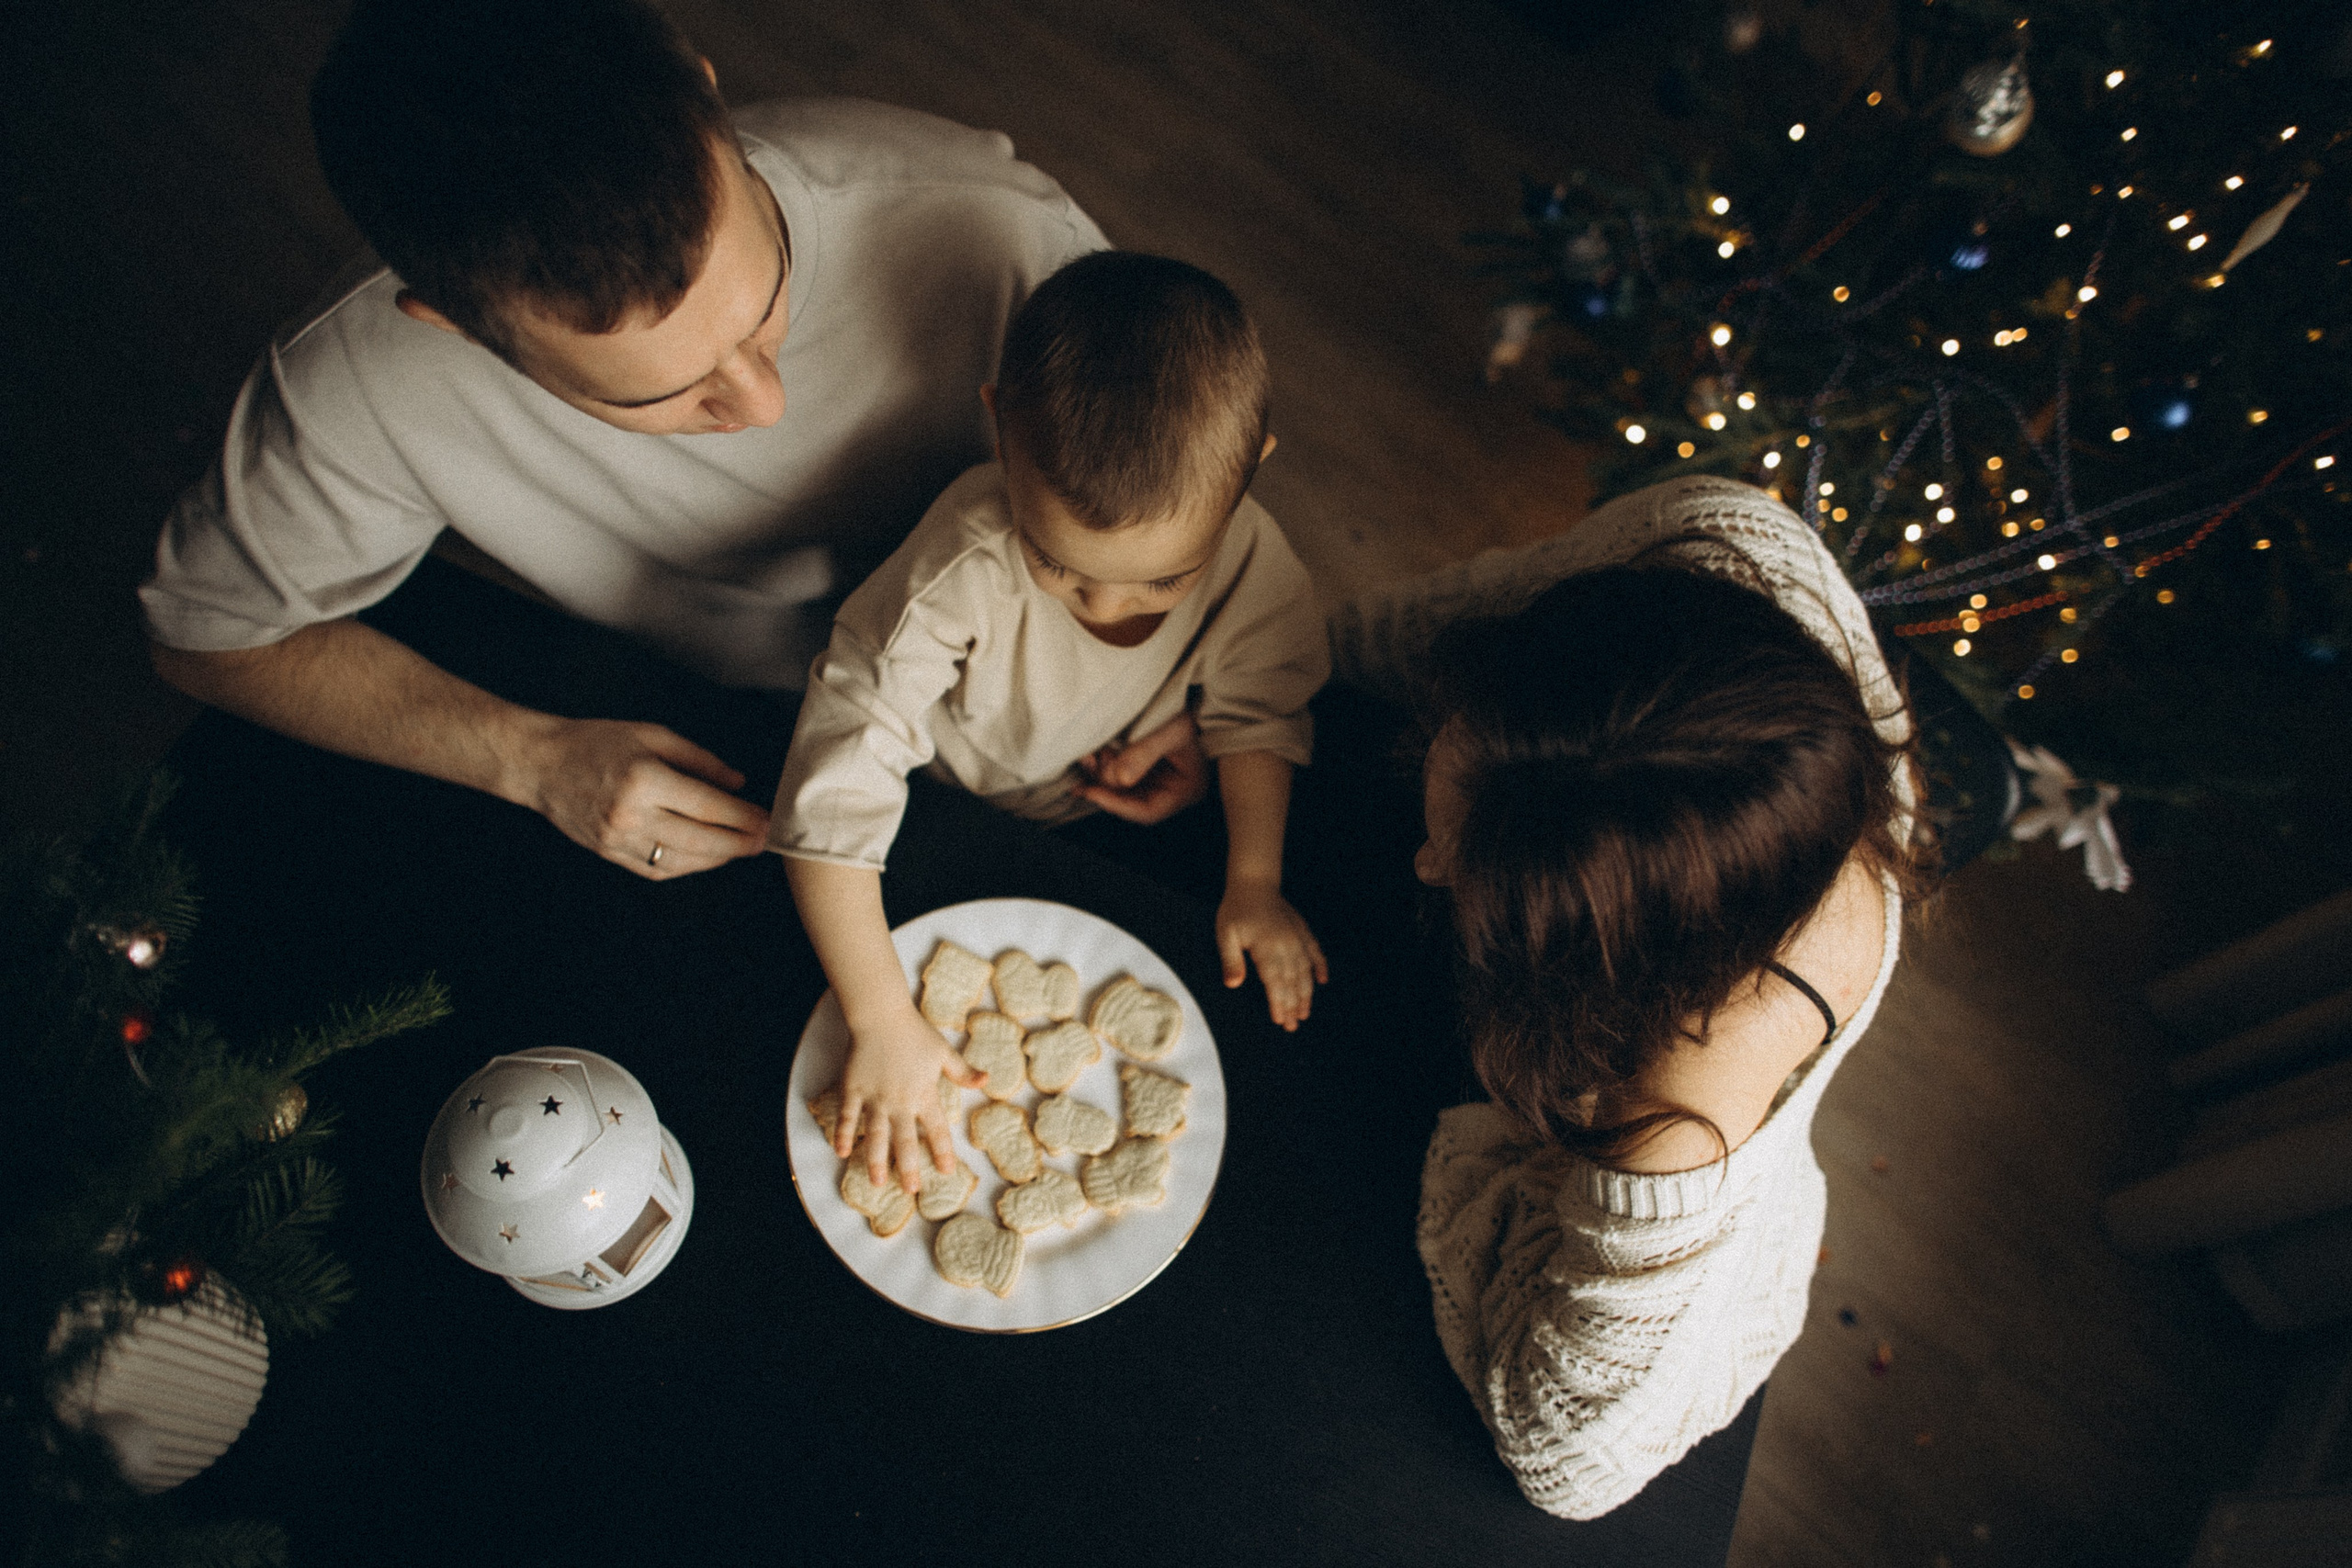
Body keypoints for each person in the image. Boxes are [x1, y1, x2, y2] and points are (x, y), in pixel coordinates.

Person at [138, 0, 1206, 878]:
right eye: (665, 394)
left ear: (707, 92)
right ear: (457, 326)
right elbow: (206, 634)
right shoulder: (357, 381)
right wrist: (531, 757)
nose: (760, 405)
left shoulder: (991, 227)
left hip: (1058, 687)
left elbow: (1166, 462)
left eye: (765, 304)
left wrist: (1182, 669)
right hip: (717, 728)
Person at [1326, 474, 1924, 1519]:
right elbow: (1429, 624)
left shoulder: (1684, 1096)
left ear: (1588, 974)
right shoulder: (1719, 538)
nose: (1424, 865)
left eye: (1459, 868)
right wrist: (1261, 669)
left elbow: (1567, 1459)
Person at [774, 252, 1329, 1190]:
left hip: (1109, 809)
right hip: (944, 800)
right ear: (999, 432)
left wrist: (1255, 879)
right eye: (1059, 566)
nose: (1108, 610)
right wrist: (876, 1016)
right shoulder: (966, 558)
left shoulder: (1254, 560)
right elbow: (842, 771)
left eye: (1162, 581)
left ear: (1251, 470)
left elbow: (1258, 709)